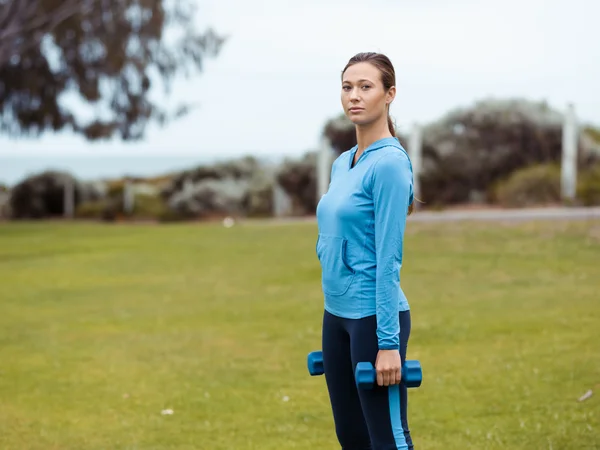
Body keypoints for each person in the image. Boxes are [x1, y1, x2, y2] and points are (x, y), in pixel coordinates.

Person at [315, 52, 415, 450]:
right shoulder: (343, 163)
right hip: (335, 314)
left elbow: (389, 259)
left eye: (366, 86)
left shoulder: (389, 164)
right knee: (351, 437)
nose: (354, 96)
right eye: (347, 87)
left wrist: (388, 343)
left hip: (374, 319)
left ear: (389, 94)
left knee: (386, 438)